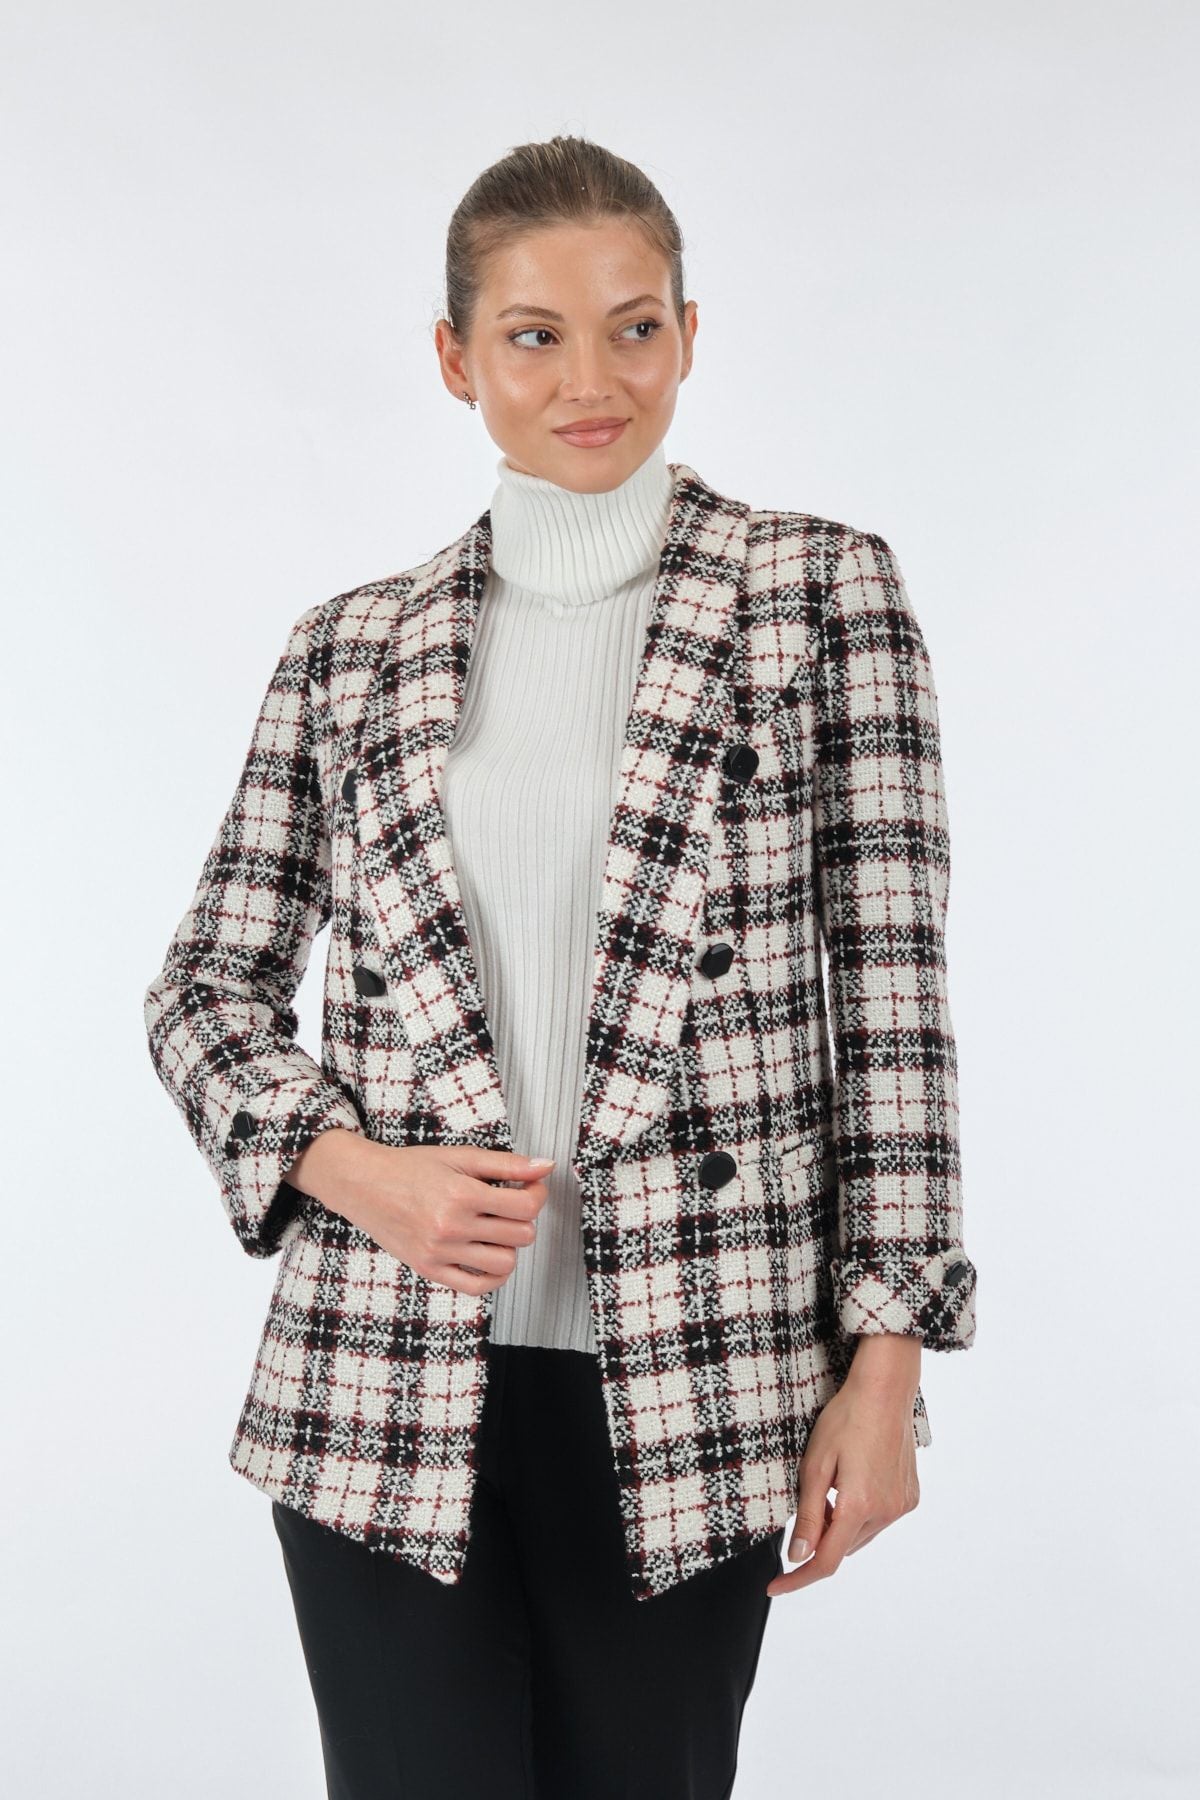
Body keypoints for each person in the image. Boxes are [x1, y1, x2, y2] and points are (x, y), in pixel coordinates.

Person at [144, 133, 978, 1800]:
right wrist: (356, 1172)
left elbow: (892, 1006)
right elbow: (203, 994)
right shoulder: (349, 648)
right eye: (534, 335)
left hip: (696, 1369)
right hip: (381, 1379)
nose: (591, 380)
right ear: (456, 359)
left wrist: (886, 1364)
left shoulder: (818, 592)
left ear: (689, 333)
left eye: (634, 326)